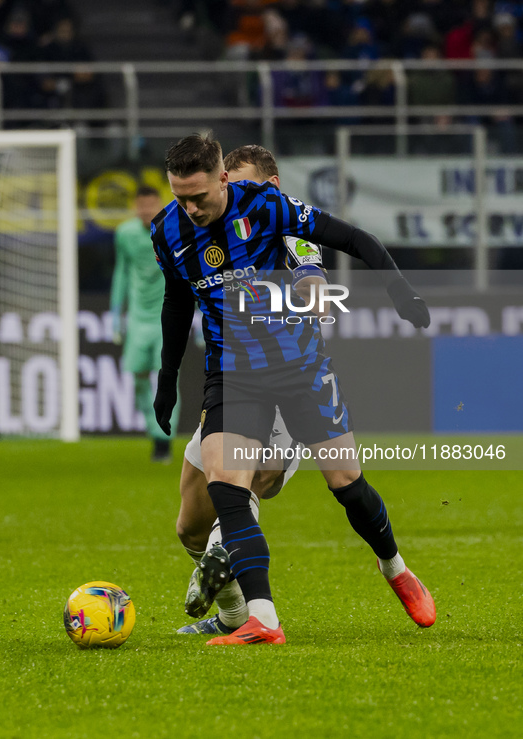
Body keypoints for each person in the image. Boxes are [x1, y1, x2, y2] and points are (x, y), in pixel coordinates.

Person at [152, 133, 435, 646]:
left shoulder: (266, 206)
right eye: (180, 198)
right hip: (233, 375)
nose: (190, 209)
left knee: (347, 484)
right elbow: (176, 303)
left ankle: (395, 567)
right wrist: (167, 378)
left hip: (300, 369)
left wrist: (398, 288)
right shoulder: (167, 230)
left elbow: (352, 239)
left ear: (222, 179)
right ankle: (262, 618)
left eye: (199, 197)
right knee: (227, 484)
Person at [176, 144, 325, 635]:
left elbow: (312, 280)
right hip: (227, 384)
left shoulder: (288, 228)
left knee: (252, 478)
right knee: (189, 525)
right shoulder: (209, 231)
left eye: (247, 186)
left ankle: (237, 571)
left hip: (281, 386)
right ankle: (231, 613)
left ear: (273, 185)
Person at [111, 185, 179, 462]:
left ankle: (165, 439)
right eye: (141, 206)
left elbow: (188, 272)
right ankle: (155, 431)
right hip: (139, 318)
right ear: (135, 207)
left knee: (167, 376)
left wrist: (199, 314)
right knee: (138, 377)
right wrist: (116, 313)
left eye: (151, 206)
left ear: (159, 205)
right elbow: (122, 272)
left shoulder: (173, 230)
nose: (146, 211)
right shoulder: (125, 234)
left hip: (168, 317)